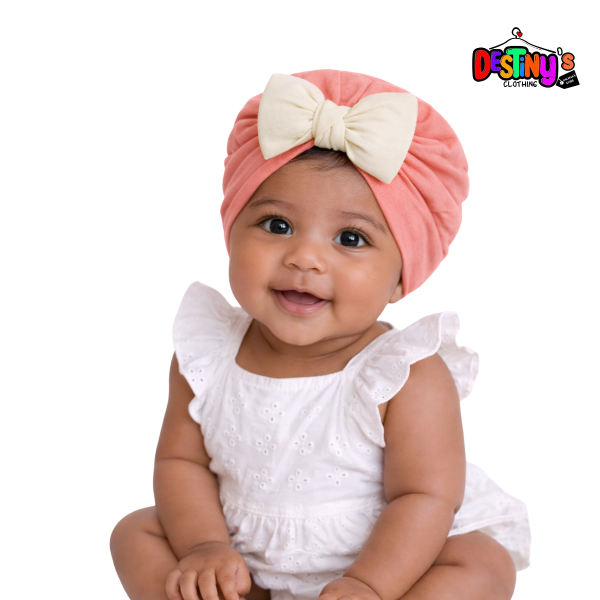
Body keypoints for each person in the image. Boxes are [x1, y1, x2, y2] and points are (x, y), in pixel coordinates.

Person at [110, 70, 530, 600]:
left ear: (402, 278)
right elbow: (181, 463)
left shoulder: (404, 375)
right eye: (277, 225)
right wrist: (204, 547)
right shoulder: (208, 356)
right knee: (135, 534)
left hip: (386, 565)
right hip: (243, 552)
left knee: (482, 564)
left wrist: (368, 584)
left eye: (350, 238)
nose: (305, 258)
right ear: (232, 232)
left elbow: (424, 498)